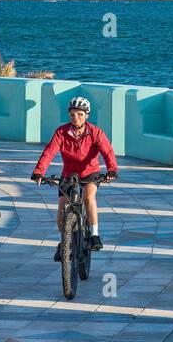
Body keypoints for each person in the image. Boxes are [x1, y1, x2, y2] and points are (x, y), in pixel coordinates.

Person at [31, 96, 118, 260]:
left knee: (88, 197)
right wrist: (39, 171)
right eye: (72, 114)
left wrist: (112, 169)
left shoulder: (95, 132)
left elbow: (107, 152)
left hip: (90, 172)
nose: (75, 118)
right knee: (62, 208)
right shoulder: (61, 132)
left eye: (79, 114)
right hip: (68, 174)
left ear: (87, 115)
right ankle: (63, 242)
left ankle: (94, 235)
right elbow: (49, 152)